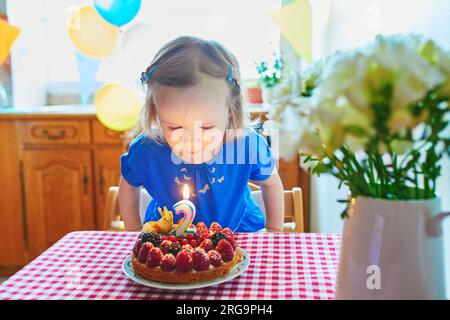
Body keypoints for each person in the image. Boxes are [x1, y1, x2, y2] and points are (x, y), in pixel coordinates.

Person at [119, 36, 284, 232]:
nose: (192, 141)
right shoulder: (147, 150)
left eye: (206, 128)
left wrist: (275, 230)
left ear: (231, 109)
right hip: (170, 237)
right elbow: (128, 185)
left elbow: (271, 182)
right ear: (155, 112)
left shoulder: (246, 145)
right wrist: (132, 231)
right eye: (175, 127)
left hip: (240, 231)